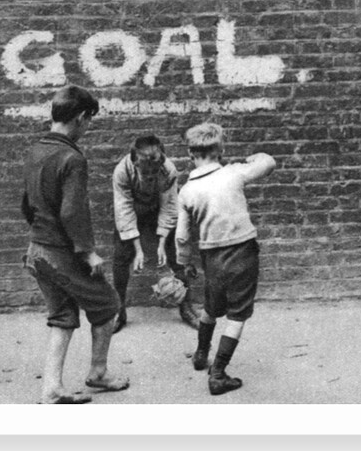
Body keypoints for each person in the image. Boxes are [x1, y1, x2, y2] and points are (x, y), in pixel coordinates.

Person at [21, 85, 129, 404]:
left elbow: (26, 205)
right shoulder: (71, 157)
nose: (88, 127)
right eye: (90, 121)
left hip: (36, 252)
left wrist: (41, 232)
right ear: (81, 118)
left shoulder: (35, 151)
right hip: (61, 255)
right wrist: (88, 252)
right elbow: (72, 211)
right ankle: (98, 372)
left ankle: (51, 388)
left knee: (63, 315)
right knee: (108, 304)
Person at [175, 122, 276, 396]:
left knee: (210, 307)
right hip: (242, 252)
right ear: (221, 149)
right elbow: (268, 163)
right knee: (238, 314)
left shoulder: (186, 191)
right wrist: (252, 158)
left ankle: (201, 353)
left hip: (212, 257)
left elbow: (182, 236)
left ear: (189, 153)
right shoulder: (234, 173)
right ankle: (218, 373)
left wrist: (184, 263)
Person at [111, 135, 200, 333]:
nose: (150, 176)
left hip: (158, 209)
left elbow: (169, 207)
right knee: (120, 257)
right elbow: (123, 209)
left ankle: (186, 307)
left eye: (154, 172)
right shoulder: (122, 171)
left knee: (178, 252)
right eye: (145, 172)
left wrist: (161, 244)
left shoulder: (168, 170)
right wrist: (138, 249)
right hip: (132, 210)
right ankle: (119, 310)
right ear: (135, 162)